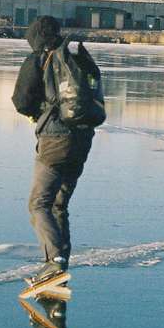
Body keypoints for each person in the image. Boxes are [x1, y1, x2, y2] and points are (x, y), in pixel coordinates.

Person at [11, 15, 99, 293]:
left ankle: (54, 263)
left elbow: (21, 100)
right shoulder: (73, 56)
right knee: (59, 205)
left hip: (54, 140)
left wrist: (34, 112)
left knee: (38, 204)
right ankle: (61, 265)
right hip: (83, 138)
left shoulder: (39, 59)